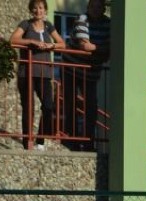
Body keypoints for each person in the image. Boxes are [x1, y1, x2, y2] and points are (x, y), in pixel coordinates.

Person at [10, 0, 66, 150]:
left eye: (41, 8)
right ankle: (27, 143)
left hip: (45, 73)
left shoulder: (49, 26)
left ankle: (40, 139)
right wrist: (31, 42)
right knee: (28, 107)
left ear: (45, 10)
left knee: (48, 106)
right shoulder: (26, 24)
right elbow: (13, 40)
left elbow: (62, 43)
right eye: (35, 8)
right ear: (31, 10)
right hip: (26, 73)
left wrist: (51, 45)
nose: (38, 10)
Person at [61, 0, 110, 152]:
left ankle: (89, 143)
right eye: (93, 6)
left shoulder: (109, 23)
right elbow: (84, 45)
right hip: (72, 68)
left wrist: (95, 48)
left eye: (99, 6)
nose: (95, 9)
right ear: (88, 8)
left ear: (103, 9)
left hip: (91, 72)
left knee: (91, 107)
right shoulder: (82, 19)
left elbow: (113, 45)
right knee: (71, 104)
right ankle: (72, 141)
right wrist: (102, 49)